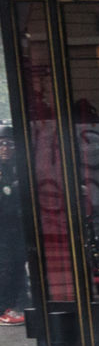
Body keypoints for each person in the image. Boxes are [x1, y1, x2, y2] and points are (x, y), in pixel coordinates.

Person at [0, 125, 27, 325]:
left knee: (17, 265)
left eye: (9, 144)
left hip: (16, 226)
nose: (6, 148)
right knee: (5, 266)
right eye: (2, 144)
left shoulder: (18, 167)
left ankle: (12, 306)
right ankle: (3, 306)